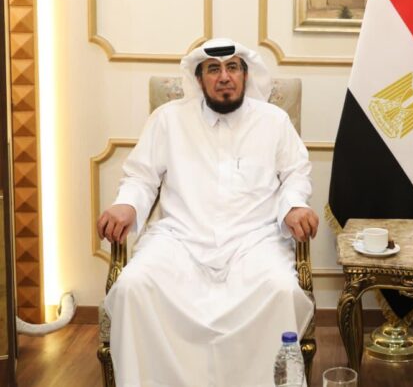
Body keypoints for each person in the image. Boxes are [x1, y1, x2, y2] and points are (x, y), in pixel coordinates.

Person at [97, 38, 319, 387]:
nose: (224, 76)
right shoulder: (168, 119)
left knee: (281, 290)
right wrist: (126, 203)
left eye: (233, 67)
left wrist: (293, 206)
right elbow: (141, 177)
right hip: (180, 239)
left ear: (245, 75)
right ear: (199, 79)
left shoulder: (274, 121)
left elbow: (295, 174)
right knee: (133, 287)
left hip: (253, 241)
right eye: (213, 69)